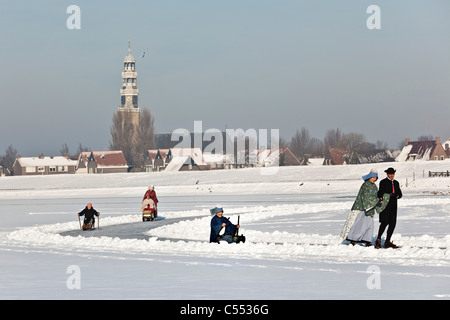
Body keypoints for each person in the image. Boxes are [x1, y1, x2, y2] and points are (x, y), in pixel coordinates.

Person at [341, 169, 390, 246]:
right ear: (370, 177)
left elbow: (376, 195)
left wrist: (384, 197)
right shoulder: (366, 185)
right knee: (360, 223)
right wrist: (377, 200)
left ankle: (367, 239)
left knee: (369, 224)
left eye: (376, 178)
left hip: (370, 208)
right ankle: (353, 238)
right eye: (373, 177)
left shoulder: (374, 186)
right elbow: (366, 197)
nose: (374, 179)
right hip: (362, 207)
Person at [375, 167, 402, 248]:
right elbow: (379, 194)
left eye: (393, 174)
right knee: (384, 222)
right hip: (385, 205)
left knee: (392, 223)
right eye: (390, 174)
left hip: (393, 205)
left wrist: (396, 195)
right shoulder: (383, 182)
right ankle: (378, 239)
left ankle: (388, 241)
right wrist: (388, 195)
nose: (391, 176)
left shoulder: (396, 183)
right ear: (387, 174)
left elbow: (400, 194)